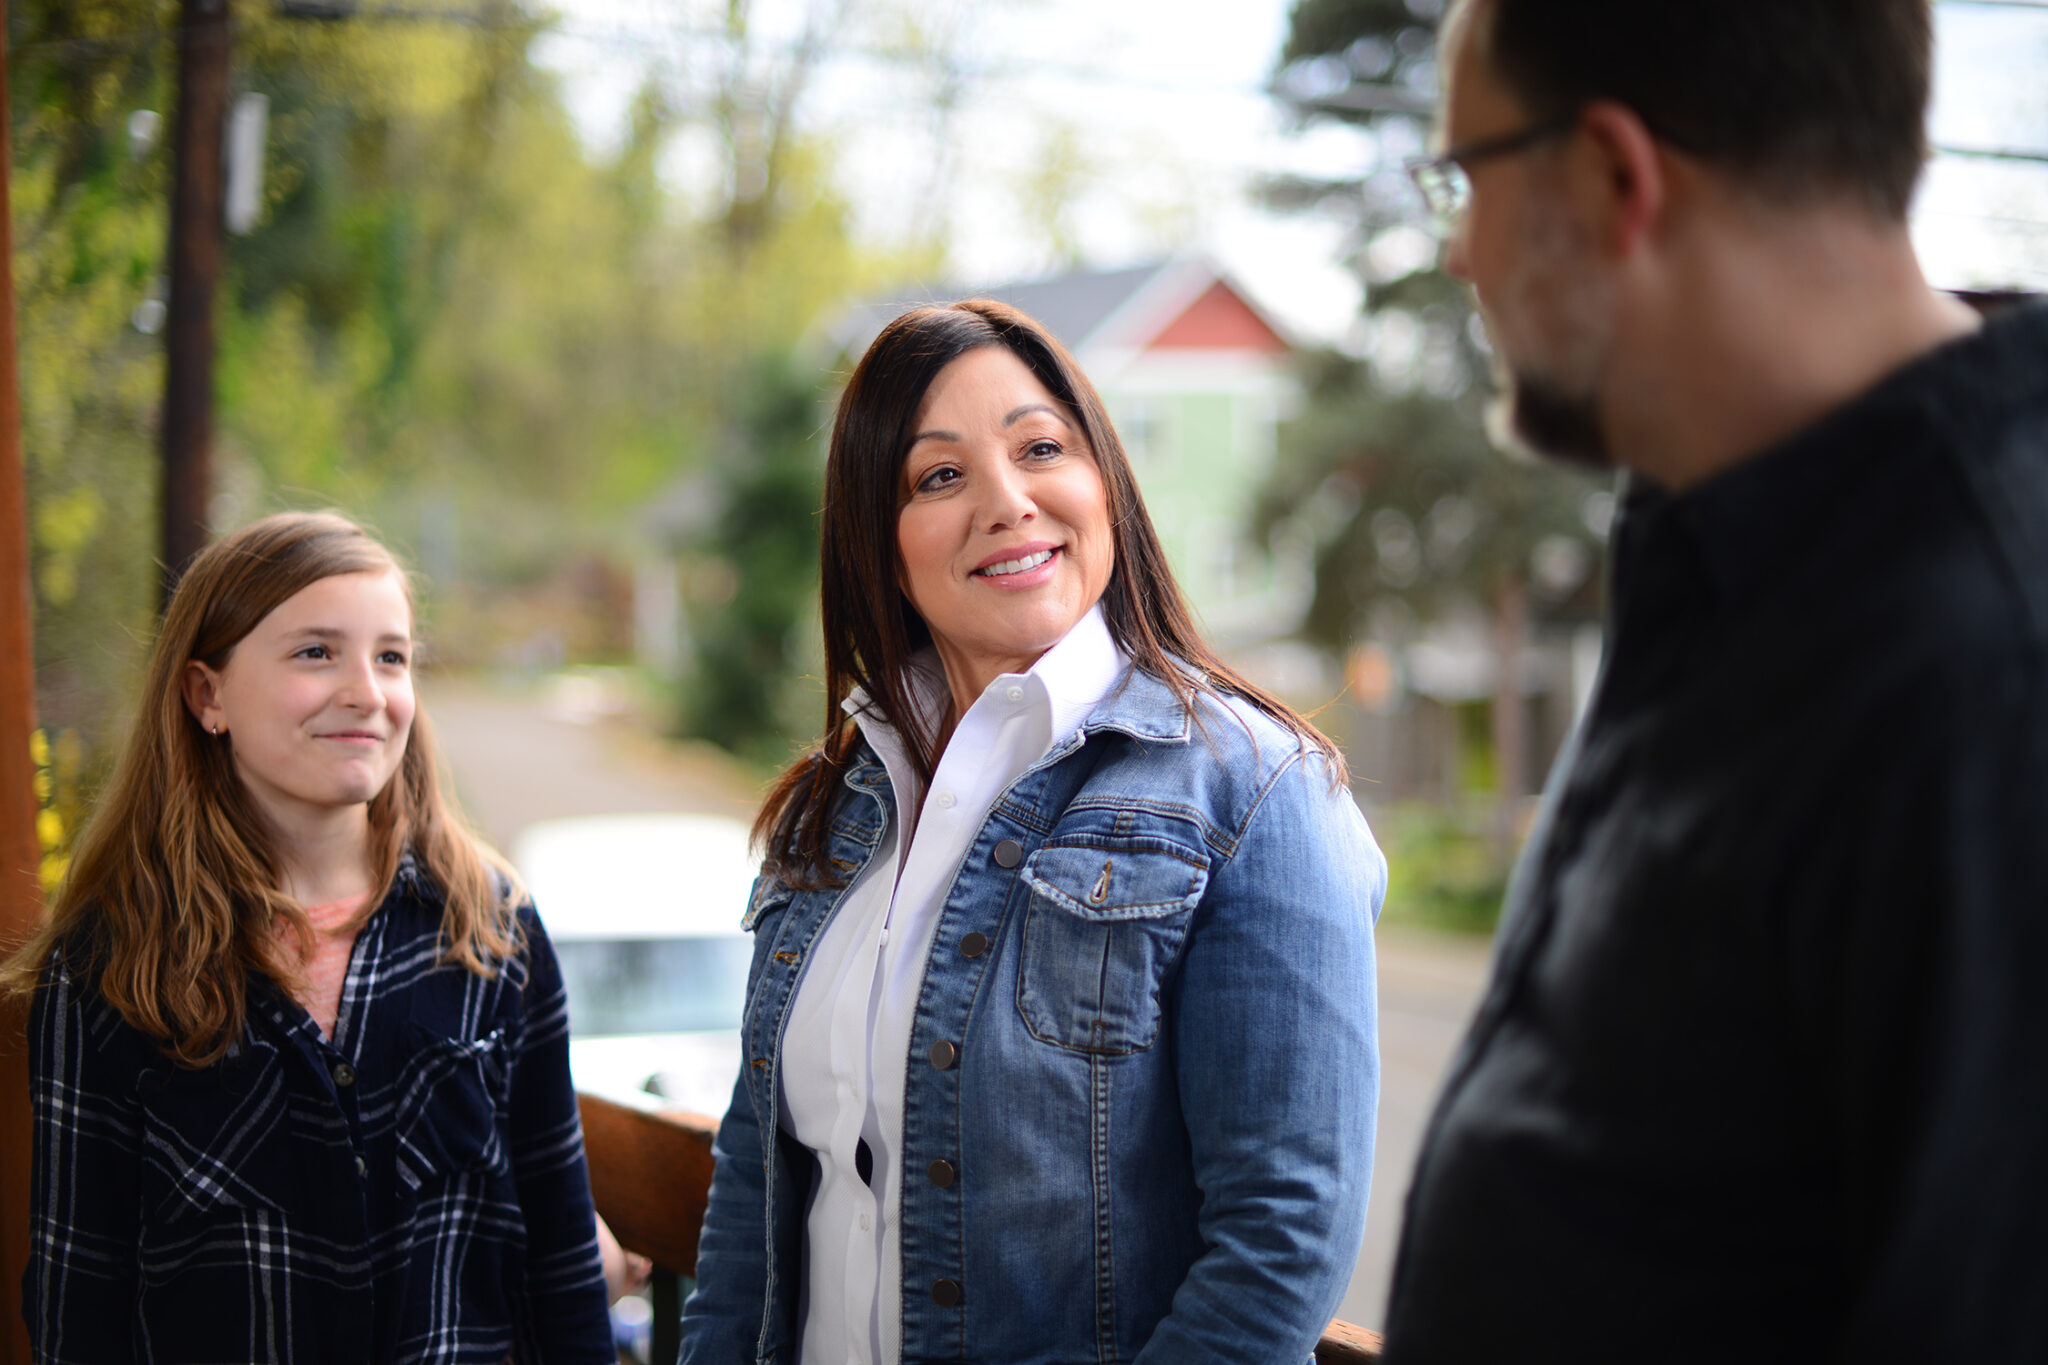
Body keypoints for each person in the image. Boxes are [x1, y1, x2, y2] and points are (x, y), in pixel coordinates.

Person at [1385, 1, 2048, 1359]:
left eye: (1469, 178)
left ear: (1615, 177)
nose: (1458, 249)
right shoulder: (1736, 544)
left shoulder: (1985, 681)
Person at [679, 300, 1384, 1364]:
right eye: (939, 477)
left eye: (1039, 448)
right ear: (881, 537)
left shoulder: (1258, 792)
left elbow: (1279, 1243)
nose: (1006, 503)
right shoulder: (839, 801)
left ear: (1103, 479)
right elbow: (756, 1184)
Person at [2, 512, 615, 1362]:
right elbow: (81, 1296)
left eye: (391, 655)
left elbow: (561, 1257)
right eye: (316, 652)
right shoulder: (110, 963)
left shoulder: (492, 928)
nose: (367, 691)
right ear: (206, 694)